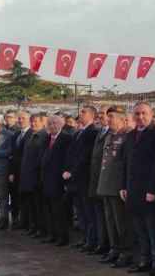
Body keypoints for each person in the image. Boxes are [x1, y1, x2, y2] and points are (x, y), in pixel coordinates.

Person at [121, 102, 155, 276]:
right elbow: (126, 161)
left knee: (154, 230)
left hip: (149, 191)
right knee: (140, 229)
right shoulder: (131, 134)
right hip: (133, 190)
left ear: (151, 113)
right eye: (137, 113)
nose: (140, 117)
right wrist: (123, 186)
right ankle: (144, 260)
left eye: (144, 113)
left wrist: (153, 189)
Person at [97, 106, 134, 268]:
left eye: (111, 116)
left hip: (118, 186)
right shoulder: (109, 136)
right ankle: (114, 248)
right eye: (108, 116)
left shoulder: (127, 136)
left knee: (121, 222)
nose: (108, 119)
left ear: (122, 119)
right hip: (106, 184)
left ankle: (126, 252)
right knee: (110, 220)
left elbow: (127, 164)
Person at [63, 105, 99, 252]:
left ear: (92, 116)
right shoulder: (78, 133)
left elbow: (85, 156)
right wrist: (65, 169)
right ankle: (84, 238)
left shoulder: (92, 132)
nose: (80, 114)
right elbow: (70, 153)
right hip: (74, 179)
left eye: (84, 112)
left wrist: (73, 172)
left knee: (88, 212)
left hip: (83, 178)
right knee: (80, 211)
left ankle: (91, 241)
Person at [40, 115, 73, 246]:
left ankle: (62, 236)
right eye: (49, 123)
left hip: (58, 180)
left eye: (54, 123)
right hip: (46, 180)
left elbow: (68, 159)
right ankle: (51, 234)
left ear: (60, 124)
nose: (52, 125)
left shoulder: (66, 139)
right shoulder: (46, 139)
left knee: (59, 211)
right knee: (48, 210)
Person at [17, 113, 48, 236]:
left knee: (38, 206)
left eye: (36, 121)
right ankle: (32, 226)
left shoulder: (44, 137)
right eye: (32, 121)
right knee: (30, 205)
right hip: (27, 177)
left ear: (42, 123)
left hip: (35, 177)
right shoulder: (31, 136)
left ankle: (40, 228)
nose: (33, 124)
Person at [88, 105, 111, 256]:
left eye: (103, 113)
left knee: (107, 217)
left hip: (107, 182)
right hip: (95, 180)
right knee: (97, 215)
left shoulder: (113, 132)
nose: (100, 116)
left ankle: (107, 245)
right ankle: (100, 243)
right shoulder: (100, 131)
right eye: (100, 113)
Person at [11, 110, 33, 230]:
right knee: (19, 198)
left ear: (29, 120)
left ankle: (29, 223)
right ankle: (22, 221)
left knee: (27, 199)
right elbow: (13, 155)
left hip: (26, 172)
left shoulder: (32, 133)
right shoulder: (16, 134)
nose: (20, 120)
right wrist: (12, 172)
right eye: (19, 118)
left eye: (23, 118)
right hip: (17, 172)